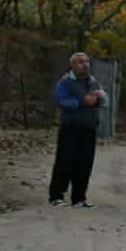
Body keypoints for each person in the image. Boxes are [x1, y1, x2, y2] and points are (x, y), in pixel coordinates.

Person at [49, 51, 108, 207]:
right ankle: (56, 196)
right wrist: (82, 101)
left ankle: (79, 198)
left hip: (89, 129)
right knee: (64, 162)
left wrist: (100, 98)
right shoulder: (65, 82)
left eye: (87, 61)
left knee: (85, 165)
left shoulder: (93, 82)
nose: (85, 65)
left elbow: (105, 102)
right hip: (70, 129)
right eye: (81, 62)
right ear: (72, 65)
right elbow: (61, 101)